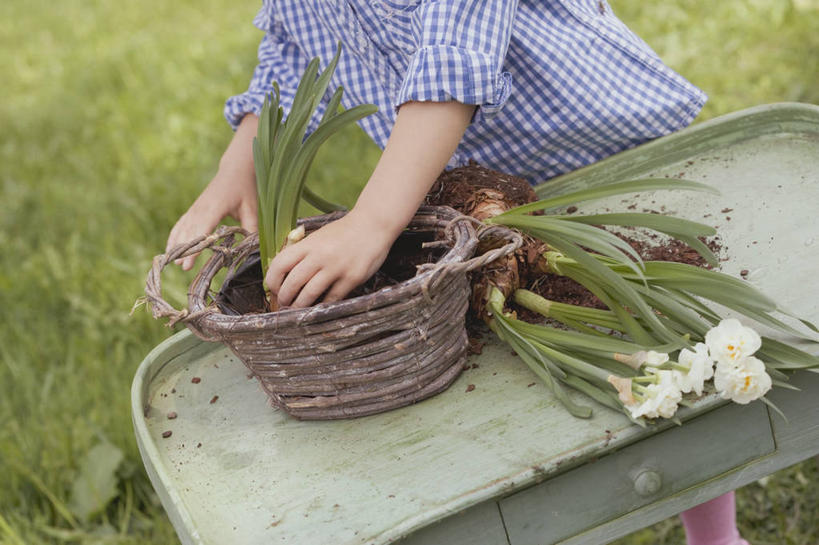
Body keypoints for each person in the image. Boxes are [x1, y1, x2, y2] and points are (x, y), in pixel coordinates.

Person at [166, 2, 746, 543]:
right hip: (482, 197)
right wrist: (239, 161)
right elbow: (296, 46)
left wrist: (372, 221)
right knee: (543, 361)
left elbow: (454, 54)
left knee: (657, 344)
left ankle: (716, 534)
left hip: (603, 165)